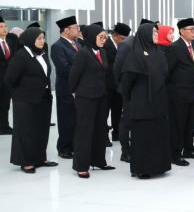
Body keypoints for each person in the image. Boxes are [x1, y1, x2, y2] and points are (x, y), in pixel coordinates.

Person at [120, 23, 171, 179]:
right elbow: (127, 81)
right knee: (143, 136)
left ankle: (159, 166)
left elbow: (165, 75)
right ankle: (142, 169)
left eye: (157, 32)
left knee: (158, 135)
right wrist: (132, 98)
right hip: (142, 102)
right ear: (145, 35)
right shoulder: (135, 55)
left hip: (158, 102)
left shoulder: (159, 52)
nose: (156, 34)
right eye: (153, 32)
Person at [5, 27, 57, 173]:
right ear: (30, 39)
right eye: (39, 38)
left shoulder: (43, 53)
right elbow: (9, 79)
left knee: (41, 129)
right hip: (25, 100)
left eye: (43, 38)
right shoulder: (21, 55)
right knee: (26, 131)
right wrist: (24, 91)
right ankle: (26, 161)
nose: (42, 41)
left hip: (43, 98)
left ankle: (40, 158)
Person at [69, 24, 113, 179]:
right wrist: (73, 91)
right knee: (85, 131)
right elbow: (74, 75)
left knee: (100, 129)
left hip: (101, 96)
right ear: (91, 37)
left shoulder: (102, 51)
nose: (104, 40)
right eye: (101, 37)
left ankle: (98, 160)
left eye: (105, 37)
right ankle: (81, 165)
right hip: (86, 97)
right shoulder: (83, 53)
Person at [166, 18, 194, 167]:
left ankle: (189, 149)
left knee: (189, 124)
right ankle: (175, 154)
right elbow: (167, 72)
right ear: (182, 31)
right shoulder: (174, 48)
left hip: (192, 92)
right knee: (177, 125)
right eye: (191, 29)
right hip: (178, 94)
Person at [50, 15, 80, 159]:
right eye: (75, 27)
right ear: (66, 30)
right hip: (66, 88)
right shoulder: (57, 46)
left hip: (79, 87)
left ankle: (75, 145)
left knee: (76, 118)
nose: (78, 30)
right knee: (66, 119)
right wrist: (82, 72)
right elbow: (64, 68)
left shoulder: (78, 44)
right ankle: (64, 148)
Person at [104, 22, 131, 144]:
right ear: (115, 35)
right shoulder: (105, 45)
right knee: (105, 112)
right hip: (107, 84)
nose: (123, 41)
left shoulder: (125, 46)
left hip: (119, 84)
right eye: (121, 38)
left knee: (118, 110)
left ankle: (117, 133)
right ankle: (104, 136)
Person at [0, 16, 19, 135]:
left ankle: (4, 126)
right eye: (1, 27)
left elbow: (14, 58)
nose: (4, 29)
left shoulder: (10, 42)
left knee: (5, 104)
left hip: (7, 80)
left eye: (5, 26)